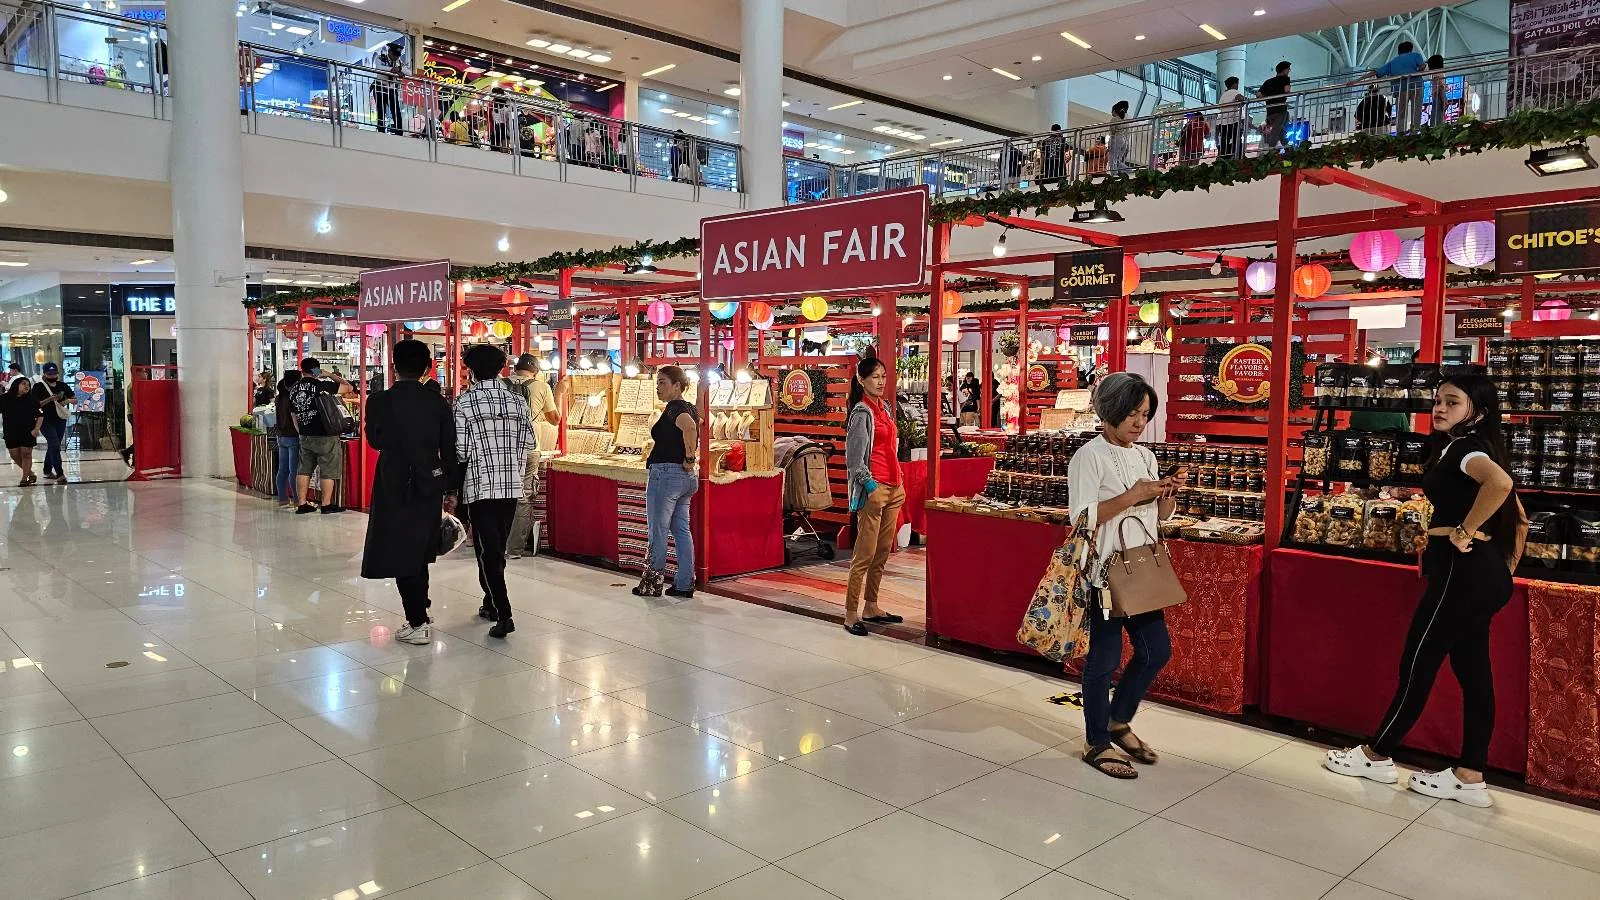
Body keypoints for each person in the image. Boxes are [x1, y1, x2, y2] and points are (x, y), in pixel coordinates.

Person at [1324, 373, 1525, 807]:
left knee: (1418, 661)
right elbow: (1519, 516)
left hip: (1463, 574)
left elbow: (1502, 487)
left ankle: (1377, 754)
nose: (1439, 408)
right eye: (1438, 401)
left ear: (1478, 412)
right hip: (1480, 576)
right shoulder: (1469, 446)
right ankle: (1470, 775)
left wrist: (1465, 532)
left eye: (1452, 402)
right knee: (1474, 673)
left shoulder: (1468, 449)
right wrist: (1500, 565)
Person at [1067, 373, 1181, 780]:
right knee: (1104, 660)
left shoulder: (1145, 457)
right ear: (1111, 411)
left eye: (1145, 415)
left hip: (1141, 566)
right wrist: (1133, 495)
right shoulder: (1089, 456)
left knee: (1156, 651)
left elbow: (1158, 518)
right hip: (1104, 571)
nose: (1138, 423)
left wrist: (1165, 495)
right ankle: (1096, 739)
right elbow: (1081, 518)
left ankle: (1118, 720)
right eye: (1132, 414)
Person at [362, 339, 457, 646]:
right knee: (420, 548)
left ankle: (417, 621)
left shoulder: (379, 401)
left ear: (394, 366)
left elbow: (375, 442)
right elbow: (449, 449)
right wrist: (450, 488)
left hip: (393, 479)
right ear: (428, 367)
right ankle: (421, 613)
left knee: (400, 549)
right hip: (429, 481)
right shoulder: (437, 402)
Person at [455, 344, 532, 638]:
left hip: (480, 485)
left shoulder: (464, 404)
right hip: (511, 484)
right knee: (496, 548)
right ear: (502, 369)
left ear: (471, 371)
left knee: (489, 551)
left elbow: (461, 451)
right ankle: (490, 601)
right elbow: (528, 444)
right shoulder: (518, 403)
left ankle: (504, 612)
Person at [842, 356, 907, 636]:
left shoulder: (886, 409)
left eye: (883, 376)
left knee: (882, 552)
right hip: (875, 488)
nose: (880, 381)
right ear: (861, 380)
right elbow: (854, 459)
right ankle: (850, 613)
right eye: (874, 377)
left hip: (894, 488)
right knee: (864, 554)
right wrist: (869, 486)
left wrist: (900, 482)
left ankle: (872, 605)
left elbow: (892, 446)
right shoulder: (860, 413)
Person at [632, 365, 701, 599]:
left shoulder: (675, 409)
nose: (658, 387)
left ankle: (652, 583)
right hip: (684, 479)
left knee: (658, 530)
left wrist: (690, 456)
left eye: (663, 382)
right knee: (681, 530)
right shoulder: (689, 407)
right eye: (657, 382)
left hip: (667, 474)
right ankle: (684, 583)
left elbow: (689, 427)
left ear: (677, 386)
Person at [503, 353, 562, 559]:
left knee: (500, 495)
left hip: (502, 448)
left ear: (515, 368)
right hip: (529, 449)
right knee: (524, 497)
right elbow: (555, 420)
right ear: (536, 371)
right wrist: (560, 393)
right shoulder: (541, 386)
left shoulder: (500, 384)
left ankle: (495, 543)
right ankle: (514, 549)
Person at [289, 358, 353, 515]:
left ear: (302, 369)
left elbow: (293, 414)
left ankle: (302, 503)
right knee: (328, 469)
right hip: (325, 433)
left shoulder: (294, 388)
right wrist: (329, 374)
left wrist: (300, 430)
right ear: (316, 370)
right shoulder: (321, 385)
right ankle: (326, 504)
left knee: (304, 469)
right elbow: (349, 387)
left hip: (305, 434)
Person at [1356, 41, 1428, 132]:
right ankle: (1415, 131)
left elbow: (1376, 72)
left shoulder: (1393, 62)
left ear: (1399, 52)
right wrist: (1418, 71)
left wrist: (1356, 81)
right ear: (1411, 49)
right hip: (1416, 85)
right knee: (1416, 110)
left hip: (1400, 88)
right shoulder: (1416, 55)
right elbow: (1422, 66)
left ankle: (1400, 133)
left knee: (1401, 113)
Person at [30, 362, 73, 483]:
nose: (53, 375)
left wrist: (67, 400)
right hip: (44, 420)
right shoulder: (38, 387)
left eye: (54, 373)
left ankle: (47, 470)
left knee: (54, 445)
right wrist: (50, 399)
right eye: (50, 373)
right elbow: (35, 404)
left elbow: (74, 398)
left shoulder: (62, 385)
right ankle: (60, 473)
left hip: (60, 420)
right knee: (54, 444)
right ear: (44, 374)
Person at [3, 376, 42, 486]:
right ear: (16, 385)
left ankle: (24, 479)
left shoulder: (32, 400)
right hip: (10, 432)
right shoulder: (4, 398)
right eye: (24, 384)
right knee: (14, 455)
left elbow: (40, 416)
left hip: (28, 431)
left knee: (26, 454)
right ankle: (31, 473)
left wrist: (36, 429)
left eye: (28, 385)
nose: (27, 386)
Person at [272, 371, 301, 508]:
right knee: (294, 470)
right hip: (293, 436)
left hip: (281, 436)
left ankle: (282, 499)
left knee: (283, 469)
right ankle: (297, 500)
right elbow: (294, 417)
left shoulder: (278, 398)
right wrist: (300, 433)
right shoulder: (292, 398)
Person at [1260, 61, 1293, 150]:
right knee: (1276, 132)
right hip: (1280, 110)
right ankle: (1269, 153)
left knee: (1280, 132)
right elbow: (1287, 91)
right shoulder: (1285, 79)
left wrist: (1268, 97)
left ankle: (1289, 151)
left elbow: (1259, 94)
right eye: (1288, 69)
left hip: (1270, 111)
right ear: (1284, 70)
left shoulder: (1268, 81)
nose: (1289, 71)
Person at [1215, 76, 1246, 158]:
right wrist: (1245, 100)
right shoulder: (1234, 91)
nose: (1237, 86)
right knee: (1237, 139)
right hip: (1232, 120)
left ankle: (1224, 156)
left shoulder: (1224, 94)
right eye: (1237, 84)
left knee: (1224, 140)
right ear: (1234, 84)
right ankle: (1238, 156)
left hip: (1222, 121)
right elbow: (1241, 98)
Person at [1107, 101, 1132, 173]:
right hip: (1124, 140)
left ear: (1115, 111)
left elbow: (1113, 131)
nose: (1111, 112)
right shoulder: (1127, 119)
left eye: (1112, 111)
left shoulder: (1114, 119)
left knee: (1113, 159)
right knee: (1119, 160)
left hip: (1116, 139)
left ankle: (1114, 174)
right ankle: (1129, 171)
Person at [1426, 54, 1447, 126]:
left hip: (1437, 95)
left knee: (1436, 115)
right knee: (1439, 115)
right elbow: (1441, 86)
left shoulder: (1436, 73)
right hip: (1440, 94)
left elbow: (1439, 86)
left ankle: (1434, 128)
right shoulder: (1440, 72)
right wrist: (1444, 98)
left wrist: (1443, 98)